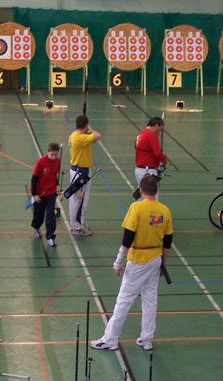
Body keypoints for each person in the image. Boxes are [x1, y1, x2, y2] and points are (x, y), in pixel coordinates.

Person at [90, 176, 173, 352]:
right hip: (155, 259)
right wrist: (162, 264)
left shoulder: (136, 207)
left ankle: (110, 339)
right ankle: (146, 339)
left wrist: (118, 261)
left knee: (124, 300)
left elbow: (127, 238)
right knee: (150, 300)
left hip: (138, 260)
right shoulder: (165, 211)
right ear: (156, 191)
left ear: (141, 191)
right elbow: (168, 242)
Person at [68, 115, 101, 236]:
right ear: (86, 125)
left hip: (77, 170)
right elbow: (98, 135)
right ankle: (77, 227)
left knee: (76, 199)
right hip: (81, 172)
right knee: (80, 201)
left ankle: (77, 224)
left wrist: (86, 131)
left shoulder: (74, 135)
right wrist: (90, 131)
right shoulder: (81, 138)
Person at [31, 142, 62, 247]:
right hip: (39, 193)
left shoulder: (58, 161)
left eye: (56, 155)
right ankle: (36, 227)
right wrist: (35, 194)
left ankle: (50, 237)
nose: (54, 157)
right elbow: (34, 179)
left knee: (50, 216)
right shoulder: (41, 162)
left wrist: (57, 185)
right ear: (47, 152)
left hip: (51, 192)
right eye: (51, 154)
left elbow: (54, 175)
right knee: (38, 215)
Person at [135, 116, 167, 198]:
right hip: (148, 171)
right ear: (156, 125)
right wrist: (165, 162)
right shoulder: (151, 136)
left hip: (139, 170)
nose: (159, 132)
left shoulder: (140, 134)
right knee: (152, 197)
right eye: (159, 129)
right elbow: (158, 153)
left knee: (142, 197)